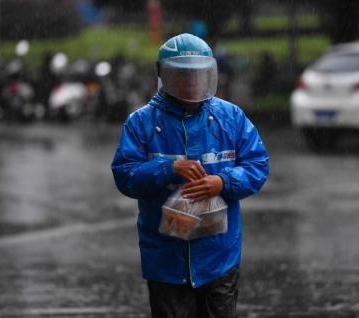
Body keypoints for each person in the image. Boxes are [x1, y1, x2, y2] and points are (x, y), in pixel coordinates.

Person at [111, 33, 269, 318]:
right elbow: (125, 174)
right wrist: (168, 168)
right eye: (183, 75)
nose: (192, 83)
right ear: (162, 73)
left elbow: (257, 165)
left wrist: (222, 182)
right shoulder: (141, 123)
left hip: (220, 258)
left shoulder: (231, 118)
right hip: (166, 261)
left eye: (199, 74)